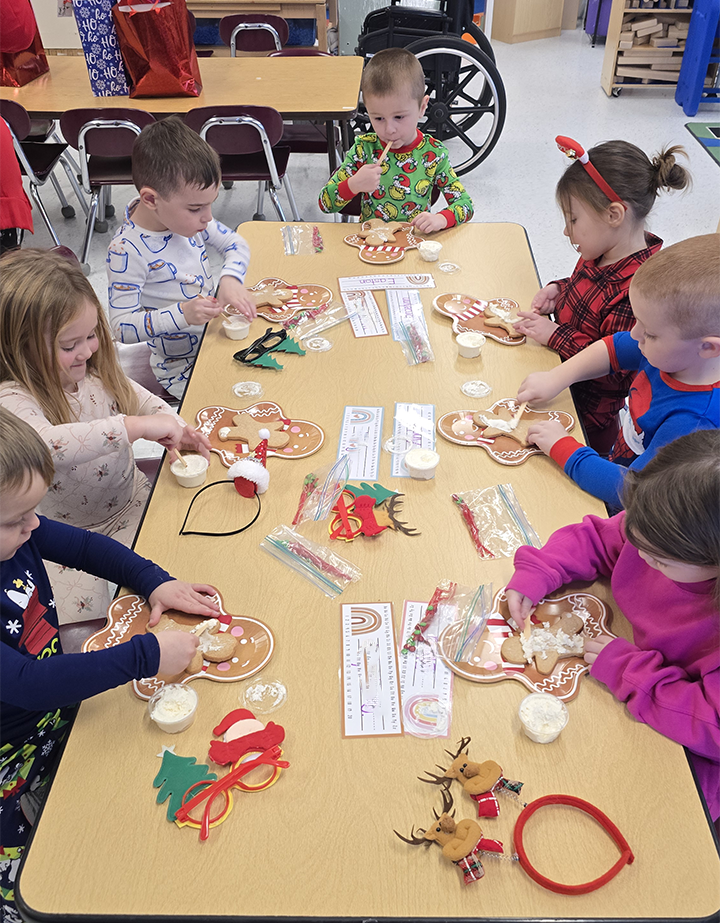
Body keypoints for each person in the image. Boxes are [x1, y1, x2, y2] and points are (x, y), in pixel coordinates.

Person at [0, 405, 219, 923]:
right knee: (37, 879)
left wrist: (153, 580)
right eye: (15, 519)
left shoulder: (22, 532)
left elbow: (82, 545)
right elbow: (28, 684)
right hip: (9, 747)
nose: (35, 526)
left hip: (52, 710)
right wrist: (146, 655)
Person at [505, 429, 720, 825]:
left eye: (657, 558)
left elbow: (711, 723)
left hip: (681, 757)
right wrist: (540, 570)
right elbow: (598, 539)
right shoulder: (658, 531)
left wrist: (626, 668)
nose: (638, 555)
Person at [0, 249, 211, 625]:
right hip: (67, 545)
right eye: (70, 346)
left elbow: (141, 400)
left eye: (92, 335)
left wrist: (174, 424)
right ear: (21, 346)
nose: (87, 351)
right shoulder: (12, 398)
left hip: (133, 506)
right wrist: (133, 428)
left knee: (183, 568)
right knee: (120, 619)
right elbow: (47, 445)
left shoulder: (94, 370)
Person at [516, 233, 720, 509]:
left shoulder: (692, 423)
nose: (635, 334)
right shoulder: (676, 354)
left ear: (708, 348)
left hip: (631, 514)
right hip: (618, 461)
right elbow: (616, 347)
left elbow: (635, 492)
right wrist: (557, 377)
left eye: (649, 332)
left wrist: (564, 448)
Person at [513, 138, 689, 455]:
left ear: (613, 215)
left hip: (585, 418)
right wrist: (559, 289)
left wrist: (556, 335)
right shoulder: (601, 250)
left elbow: (615, 367)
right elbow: (584, 289)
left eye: (574, 219)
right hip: (554, 378)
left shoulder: (641, 289)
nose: (567, 232)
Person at [106, 116, 255, 399]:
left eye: (210, 205)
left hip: (215, 340)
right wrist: (183, 314)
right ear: (150, 199)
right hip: (181, 367)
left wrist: (231, 280)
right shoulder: (126, 251)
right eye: (197, 207)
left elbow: (236, 243)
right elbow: (121, 327)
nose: (208, 217)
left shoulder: (186, 219)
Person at [318, 47, 473, 230]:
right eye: (378, 118)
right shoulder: (363, 149)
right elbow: (325, 203)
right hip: (370, 245)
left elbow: (465, 204)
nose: (389, 129)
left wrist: (441, 219)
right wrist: (354, 184)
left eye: (399, 117)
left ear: (422, 107)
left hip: (414, 243)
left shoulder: (434, 154)